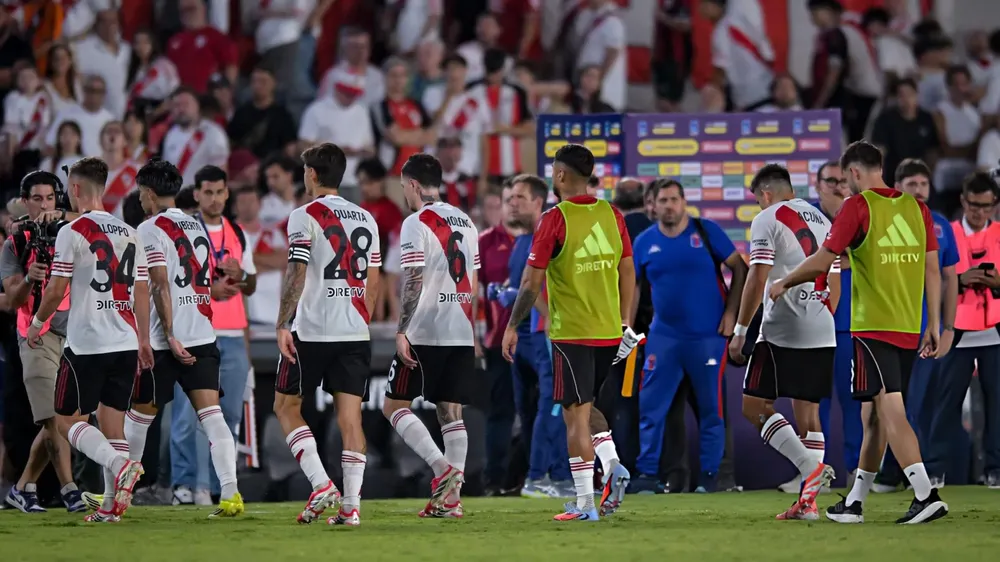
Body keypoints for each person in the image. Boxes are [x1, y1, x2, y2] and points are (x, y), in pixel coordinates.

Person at [770, 141, 948, 524]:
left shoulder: (858, 206)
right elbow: (932, 268)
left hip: (873, 326)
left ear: (853, 172)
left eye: (844, 178)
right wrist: (933, 323)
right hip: (908, 324)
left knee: (890, 409)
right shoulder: (916, 208)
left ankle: (924, 493)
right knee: (874, 416)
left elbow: (822, 258)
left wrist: (784, 281)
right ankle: (855, 501)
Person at [86, 159, 244, 520]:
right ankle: (231, 493)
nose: (141, 199)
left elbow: (158, 283)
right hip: (203, 335)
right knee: (212, 416)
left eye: (141, 192)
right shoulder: (197, 226)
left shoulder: (149, 229)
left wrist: (169, 334)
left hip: (165, 341)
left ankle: (117, 496)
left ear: (149, 193)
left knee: (138, 418)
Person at [502, 144, 633, 521]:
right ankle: (612, 464)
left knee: (573, 418)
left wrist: (512, 326)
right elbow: (627, 269)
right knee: (587, 409)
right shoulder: (612, 214)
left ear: (560, 175)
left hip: (572, 333)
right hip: (609, 333)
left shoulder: (554, 219)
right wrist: (625, 321)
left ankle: (585, 503)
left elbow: (530, 283)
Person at [27, 157, 153, 522]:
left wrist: (37, 322)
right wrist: (144, 339)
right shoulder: (129, 231)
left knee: (66, 421)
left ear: (76, 188)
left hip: (88, 343)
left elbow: (56, 289)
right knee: (112, 425)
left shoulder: (73, 230)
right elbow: (141, 291)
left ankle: (121, 465)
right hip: (125, 341)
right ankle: (112, 506)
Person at [273, 143, 381, 526]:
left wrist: (283, 323)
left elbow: (297, 272)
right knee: (350, 419)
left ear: (313, 175)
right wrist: (360, 319)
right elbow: (373, 281)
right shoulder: (366, 218)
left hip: (313, 331)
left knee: (285, 406)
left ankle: (320, 484)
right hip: (354, 330)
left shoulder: (303, 216)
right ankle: (351, 507)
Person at [729, 164, 838, 520]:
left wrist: (741, 330)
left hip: (782, 330)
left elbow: (757, 275)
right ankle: (809, 505)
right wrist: (822, 314)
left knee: (753, 406)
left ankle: (809, 468)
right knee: (809, 414)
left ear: (765, 194)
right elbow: (835, 275)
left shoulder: (768, 218)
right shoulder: (823, 221)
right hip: (822, 327)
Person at [630, 179, 746, 494]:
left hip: (708, 338)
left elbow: (740, 269)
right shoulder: (644, 242)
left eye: (673, 199)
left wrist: (732, 314)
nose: (669, 206)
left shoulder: (706, 231)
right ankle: (647, 474)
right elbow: (633, 285)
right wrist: (627, 325)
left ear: (683, 202)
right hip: (664, 338)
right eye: (662, 200)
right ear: (652, 206)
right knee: (651, 408)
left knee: (711, 410)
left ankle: (710, 477)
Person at [380, 152, 477, 517]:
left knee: (394, 406)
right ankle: (451, 502)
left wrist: (402, 328)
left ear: (414, 185)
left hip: (426, 329)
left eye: (404, 187)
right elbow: (474, 279)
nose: (404, 193)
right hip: (461, 326)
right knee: (451, 411)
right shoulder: (467, 221)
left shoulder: (416, 222)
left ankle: (442, 469)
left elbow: (414, 277)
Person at [170, 165, 256, 506]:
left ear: (227, 193)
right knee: (188, 416)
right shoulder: (185, 230)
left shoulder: (237, 232)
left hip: (233, 333)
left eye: (220, 192)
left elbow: (251, 285)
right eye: (208, 192)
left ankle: (221, 484)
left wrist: (241, 275)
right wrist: (210, 290)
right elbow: (175, 281)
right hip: (197, 332)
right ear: (196, 194)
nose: (215, 198)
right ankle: (185, 484)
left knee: (229, 415)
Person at [0, 172, 84, 513]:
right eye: (37, 199)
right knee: (54, 420)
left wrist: (63, 215)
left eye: (50, 198)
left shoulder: (71, 231)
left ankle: (22, 487)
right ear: (25, 201)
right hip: (35, 334)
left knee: (69, 421)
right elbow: (13, 299)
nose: (45, 205)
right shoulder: (14, 244)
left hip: (74, 335)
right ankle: (70, 490)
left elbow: (100, 220)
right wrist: (29, 279)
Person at [873, 159, 959, 491]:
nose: (920, 191)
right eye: (912, 185)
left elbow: (949, 278)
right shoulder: (884, 220)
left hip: (926, 329)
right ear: (898, 187)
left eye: (924, 184)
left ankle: (909, 474)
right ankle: (893, 472)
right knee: (890, 402)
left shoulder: (940, 225)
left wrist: (948, 327)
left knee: (918, 402)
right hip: (891, 325)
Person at [924, 171, 999, 488]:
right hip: (954, 329)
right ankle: (935, 469)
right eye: (974, 205)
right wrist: (959, 281)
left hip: (994, 327)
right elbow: (930, 278)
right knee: (946, 403)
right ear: (963, 201)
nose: (979, 212)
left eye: (986, 206)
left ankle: (995, 468)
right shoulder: (946, 232)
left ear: (994, 205)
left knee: (997, 403)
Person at [501, 174, 571, 498]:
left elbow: (536, 289)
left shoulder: (550, 235)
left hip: (544, 336)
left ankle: (551, 475)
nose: (512, 203)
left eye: (519, 197)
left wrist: (548, 316)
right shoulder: (521, 242)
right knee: (535, 411)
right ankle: (544, 475)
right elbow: (524, 287)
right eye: (510, 197)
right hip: (528, 339)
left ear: (538, 202)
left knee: (554, 406)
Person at [809, 161, 861, 493]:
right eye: (831, 181)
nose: (839, 187)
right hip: (812, 323)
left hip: (849, 324)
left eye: (843, 181)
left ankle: (857, 472)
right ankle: (817, 473)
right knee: (813, 402)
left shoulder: (861, 216)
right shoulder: (806, 219)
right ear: (818, 186)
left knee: (854, 402)